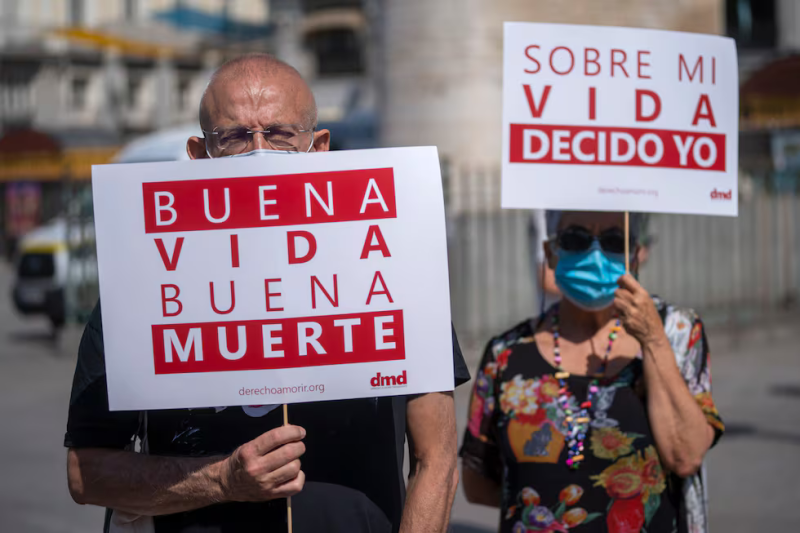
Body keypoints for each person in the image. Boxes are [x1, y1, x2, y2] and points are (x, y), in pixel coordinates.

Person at [65, 54, 470, 533]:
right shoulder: (140, 290)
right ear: (199, 155)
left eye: (279, 134)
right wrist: (222, 480)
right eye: (234, 137)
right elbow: (86, 475)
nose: (258, 150)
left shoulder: (393, 275)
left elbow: (436, 459)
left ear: (318, 147)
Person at [460, 210, 724, 533]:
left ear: (636, 254)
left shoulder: (677, 332)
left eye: (614, 240)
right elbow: (478, 482)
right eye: (576, 238)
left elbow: (687, 455)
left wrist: (653, 339)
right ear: (550, 253)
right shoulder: (506, 354)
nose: (595, 255)